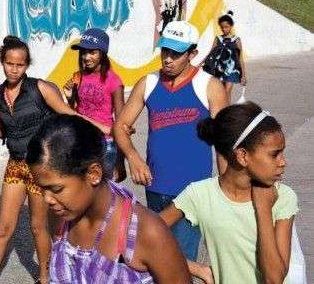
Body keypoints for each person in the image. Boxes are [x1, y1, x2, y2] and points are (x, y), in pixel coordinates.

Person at [0, 35, 81, 284]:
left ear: (27, 65)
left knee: (38, 226)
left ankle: (44, 277)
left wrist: (100, 131)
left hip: (41, 167)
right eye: (10, 63)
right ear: (2, 62)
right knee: (3, 228)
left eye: (19, 65)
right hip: (16, 165)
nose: (14, 69)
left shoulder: (41, 88)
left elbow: (69, 115)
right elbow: (2, 131)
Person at [113, 20, 228, 261]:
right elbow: (121, 126)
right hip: (155, 187)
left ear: (192, 54)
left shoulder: (209, 86)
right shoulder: (149, 83)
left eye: (176, 54)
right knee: (156, 257)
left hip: (193, 191)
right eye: (165, 51)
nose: (167, 59)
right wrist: (134, 159)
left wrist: (228, 188)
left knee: (182, 260)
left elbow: (224, 141)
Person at [27, 117, 191, 283]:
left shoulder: (146, 231)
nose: (47, 199)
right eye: (42, 188)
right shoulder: (61, 217)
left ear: (94, 174)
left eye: (56, 189)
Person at [160, 102, 297, 284]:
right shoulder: (200, 194)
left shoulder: (283, 197)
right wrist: (196, 268)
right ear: (242, 156)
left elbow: (274, 278)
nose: (283, 162)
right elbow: (143, 234)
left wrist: (263, 208)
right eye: (274, 154)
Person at [63, 28, 126, 181]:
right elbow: (76, 112)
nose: (86, 57)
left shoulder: (114, 81)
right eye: (83, 52)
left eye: (92, 52)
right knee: (81, 188)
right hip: (82, 140)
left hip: (105, 144)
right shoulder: (79, 77)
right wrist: (70, 98)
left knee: (103, 192)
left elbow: (122, 123)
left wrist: (120, 161)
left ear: (103, 53)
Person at [204, 11, 246, 99]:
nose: (224, 29)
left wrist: (243, 75)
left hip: (232, 70)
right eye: (222, 27)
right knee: (221, 91)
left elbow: (240, 58)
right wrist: (202, 63)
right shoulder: (218, 39)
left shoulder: (236, 40)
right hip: (219, 70)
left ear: (231, 26)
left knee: (227, 91)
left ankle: (226, 111)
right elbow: (211, 53)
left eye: (226, 27)